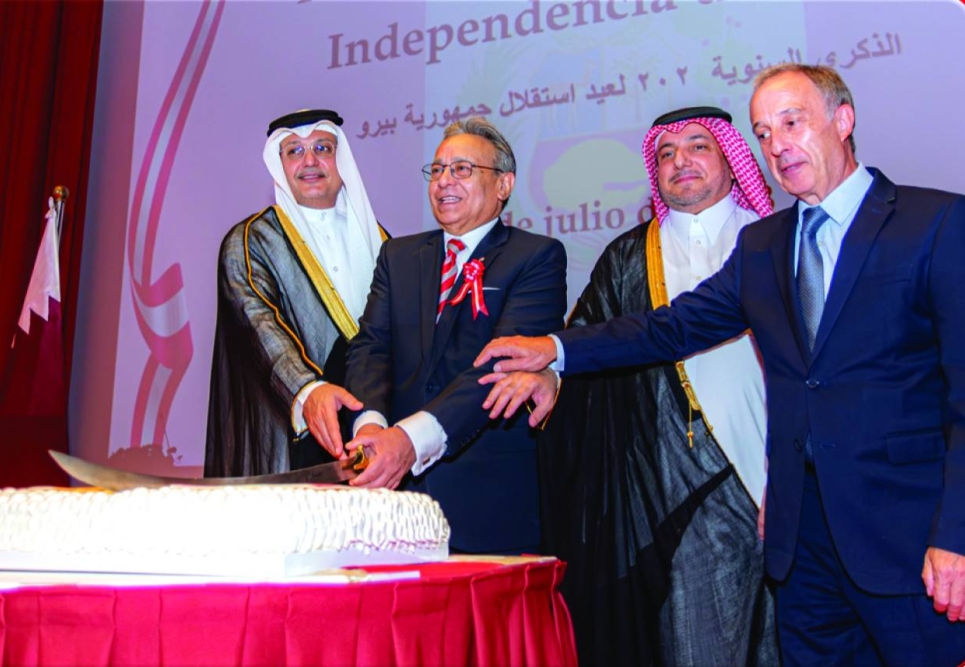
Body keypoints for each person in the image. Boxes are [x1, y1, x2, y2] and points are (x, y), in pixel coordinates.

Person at [477, 64, 965, 665]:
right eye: (763, 133)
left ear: (843, 120)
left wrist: (957, 535)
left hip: (907, 540)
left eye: (792, 123)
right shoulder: (765, 245)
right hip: (803, 546)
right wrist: (555, 349)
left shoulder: (935, 223)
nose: (777, 145)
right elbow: (672, 326)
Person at [519, 106, 778, 666]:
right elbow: (587, 335)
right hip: (682, 484)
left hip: (785, 472)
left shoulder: (775, 241)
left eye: (698, 146)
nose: (680, 161)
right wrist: (549, 372)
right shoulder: (631, 255)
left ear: (733, 160)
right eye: (666, 153)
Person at [343, 117, 567, 554]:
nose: (444, 181)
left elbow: (502, 366)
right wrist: (372, 428)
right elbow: (371, 347)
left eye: (462, 169)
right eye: (437, 170)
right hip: (393, 496)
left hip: (486, 498)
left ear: (503, 184)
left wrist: (409, 440)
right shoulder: (398, 255)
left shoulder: (536, 257)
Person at [205, 109, 386, 477]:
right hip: (290, 439)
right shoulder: (252, 240)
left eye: (322, 148)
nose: (310, 161)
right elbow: (258, 326)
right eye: (294, 151)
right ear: (280, 165)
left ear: (341, 159)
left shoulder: (380, 242)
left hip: (374, 434)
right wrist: (307, 390)